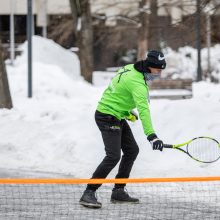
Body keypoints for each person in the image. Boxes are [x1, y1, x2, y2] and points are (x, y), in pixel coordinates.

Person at [79, 50, 166, 208]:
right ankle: (89, 192)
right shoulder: (138, 84)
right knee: (113, 156)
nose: (159, 74)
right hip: (106, 116)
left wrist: (125, 111)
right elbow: (144, 110)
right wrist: (152, 135)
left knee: (132, 150)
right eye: (158, 70)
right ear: (150, 67)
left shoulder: (130, 68)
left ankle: (118, 191)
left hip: (116, 114)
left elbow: (116, 88)